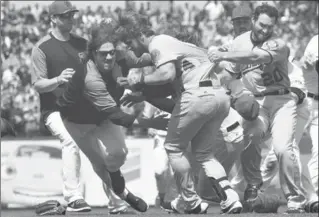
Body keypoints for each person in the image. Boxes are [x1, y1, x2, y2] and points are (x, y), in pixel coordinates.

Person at [116, 10, 247, 214]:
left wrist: (140, 80)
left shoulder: (159, 42)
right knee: (204, 154)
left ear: (138, 36)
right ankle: (231, 198)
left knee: (174, 147)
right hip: (218, 97)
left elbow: (166, 74)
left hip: (198, 95)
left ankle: (190, 200)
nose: (132, 48)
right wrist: (143, 94)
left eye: (131, 43)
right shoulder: (185, 49)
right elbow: (172, 94)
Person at [56, 21, 169, 213]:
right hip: (77, 121)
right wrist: (151, 122)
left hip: (102, 116)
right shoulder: (89, 77)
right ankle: (124, 194)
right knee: (99, 163)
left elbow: (146, 59)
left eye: (111, 51)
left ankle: (116, 180)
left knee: (119, 154)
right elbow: (117, 116)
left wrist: (170, 57)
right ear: (93, 54)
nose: (109, 57)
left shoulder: (122, 58)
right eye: (103, 53)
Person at [208, 4, 306, 213]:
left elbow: (256, 57)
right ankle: (252, 186)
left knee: (282, 149)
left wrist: (224, 55)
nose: (265, 30)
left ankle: (295, 198)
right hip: (257, 102)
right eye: (261, 24)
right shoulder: (238, 42)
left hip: (282, 102)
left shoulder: (278, 43)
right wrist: (237, 91)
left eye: (269, 26)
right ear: (254, 20)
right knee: (249, 136)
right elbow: (228, 73)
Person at [30, 1, 91, 212]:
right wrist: (57, 79)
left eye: (72, 15)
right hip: (54, 110)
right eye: (65, 16)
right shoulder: (41, 47)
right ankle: (74, 197)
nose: (71, 19)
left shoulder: (83, 44)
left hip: (83, 107)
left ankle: (117, 201)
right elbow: (38, 85)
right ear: (53, 19)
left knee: (109, 148)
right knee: (70, 140)